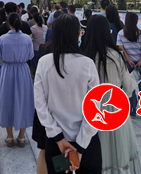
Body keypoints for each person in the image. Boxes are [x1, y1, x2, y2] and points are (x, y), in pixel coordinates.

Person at [35, 14, 101, 174]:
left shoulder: (44, 63)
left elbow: (40, 105)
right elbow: (94, 109)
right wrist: (80, 147)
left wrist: (58, 138)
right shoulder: (87, 64)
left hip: (56, 143)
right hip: (87, 142)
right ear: (77, 34)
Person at [82, 15, 141, 174]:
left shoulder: (83, 57)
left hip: (91, 112)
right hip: (116, 109)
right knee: (118, 152)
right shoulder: (116, 55)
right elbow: (128, 88)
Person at [0, 13, 35, 148]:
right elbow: (30, 55)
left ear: (8, 24)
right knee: (23, 100)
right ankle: (22, 136)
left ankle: (9, 136)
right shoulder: (27, 39)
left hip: (7, 70)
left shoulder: (2, 39)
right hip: (23, 70)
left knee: (7, 100)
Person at [117, 12, 141, 116]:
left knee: (130, 87)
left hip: (128, 64)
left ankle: (132, 109)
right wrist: (140, 61)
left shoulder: (121, 33)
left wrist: (129, 60)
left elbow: (121, 49)